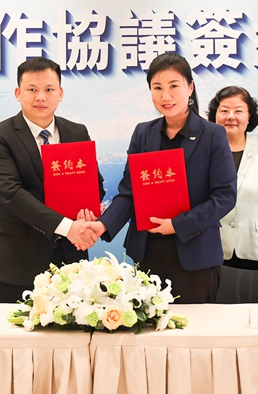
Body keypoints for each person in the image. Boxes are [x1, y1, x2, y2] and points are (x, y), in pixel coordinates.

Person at [89, 52, 236, 303]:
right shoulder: (143, 133)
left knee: (195, 324)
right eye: (157, 88)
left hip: (195, 254)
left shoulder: (212, 134)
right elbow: (129, 193)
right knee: (147, 322)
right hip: (148, 252)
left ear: (190, 87)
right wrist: (103, 224)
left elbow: (225, 197)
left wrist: (178, 224)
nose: (165, 96)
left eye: (174, 86)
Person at [0, 57, 105, 302]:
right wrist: (69, 227)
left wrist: (86, 213)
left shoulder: (77, 131)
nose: (41, 97)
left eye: (49, 90)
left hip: (71, 260)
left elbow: (94, 184)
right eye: (32, 90)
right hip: (20, 263)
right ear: (18, 93)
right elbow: (11, 194)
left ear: (60, 93)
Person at [207, 86, 258, 271]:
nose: (231, 116)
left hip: (256, 251)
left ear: (249, 116)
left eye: (238, 111)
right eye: (224, 111)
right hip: (211, 249)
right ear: (215, 115)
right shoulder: (203, 154)